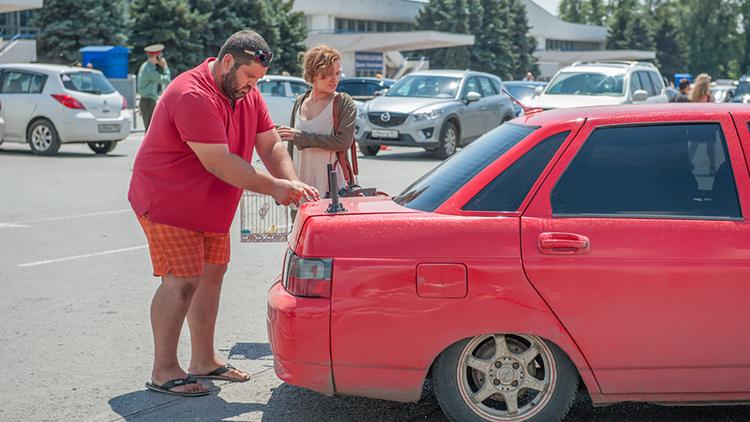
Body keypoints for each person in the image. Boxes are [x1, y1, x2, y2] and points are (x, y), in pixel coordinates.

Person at [128, 30, 319, 397]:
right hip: (168, 202)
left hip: (210, 206)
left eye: (258, 80)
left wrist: (292, 183)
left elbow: (270, 142)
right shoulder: (192, 93)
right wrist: (277, 189)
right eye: (249, 77)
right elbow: (218, 161)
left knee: (211, 277)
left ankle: (204, 359)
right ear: (227, 62)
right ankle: (164, 369)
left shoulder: (246, 91)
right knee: (181, 281)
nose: (252, 86)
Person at [276, 45, 357, 216]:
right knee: (300, 240)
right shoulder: (300, 101)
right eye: (327, 75)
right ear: (313, 75)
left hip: (333, 191)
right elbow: (291, 148)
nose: (334, 79)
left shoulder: (343, 102)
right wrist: (285, 182)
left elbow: (343, 142)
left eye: (336, 73)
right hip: (301, 189)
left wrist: (302, 137)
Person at [137, 43, 172, 131]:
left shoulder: (148, 66)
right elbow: (166, 80)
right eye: (160, 56)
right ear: (156, 56)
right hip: (148, 101)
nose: (161, 58)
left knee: (150, 129)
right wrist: (165, 67)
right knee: (150, 130)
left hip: (147, 101)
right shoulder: (148, 69)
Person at [688, 73, 717, 173]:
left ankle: (687, 163)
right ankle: (712, 166)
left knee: (694, 145)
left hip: (696, 122)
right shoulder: (709, 96)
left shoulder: (692, 95)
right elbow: (714, 108)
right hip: (707, 122)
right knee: (710, 146)